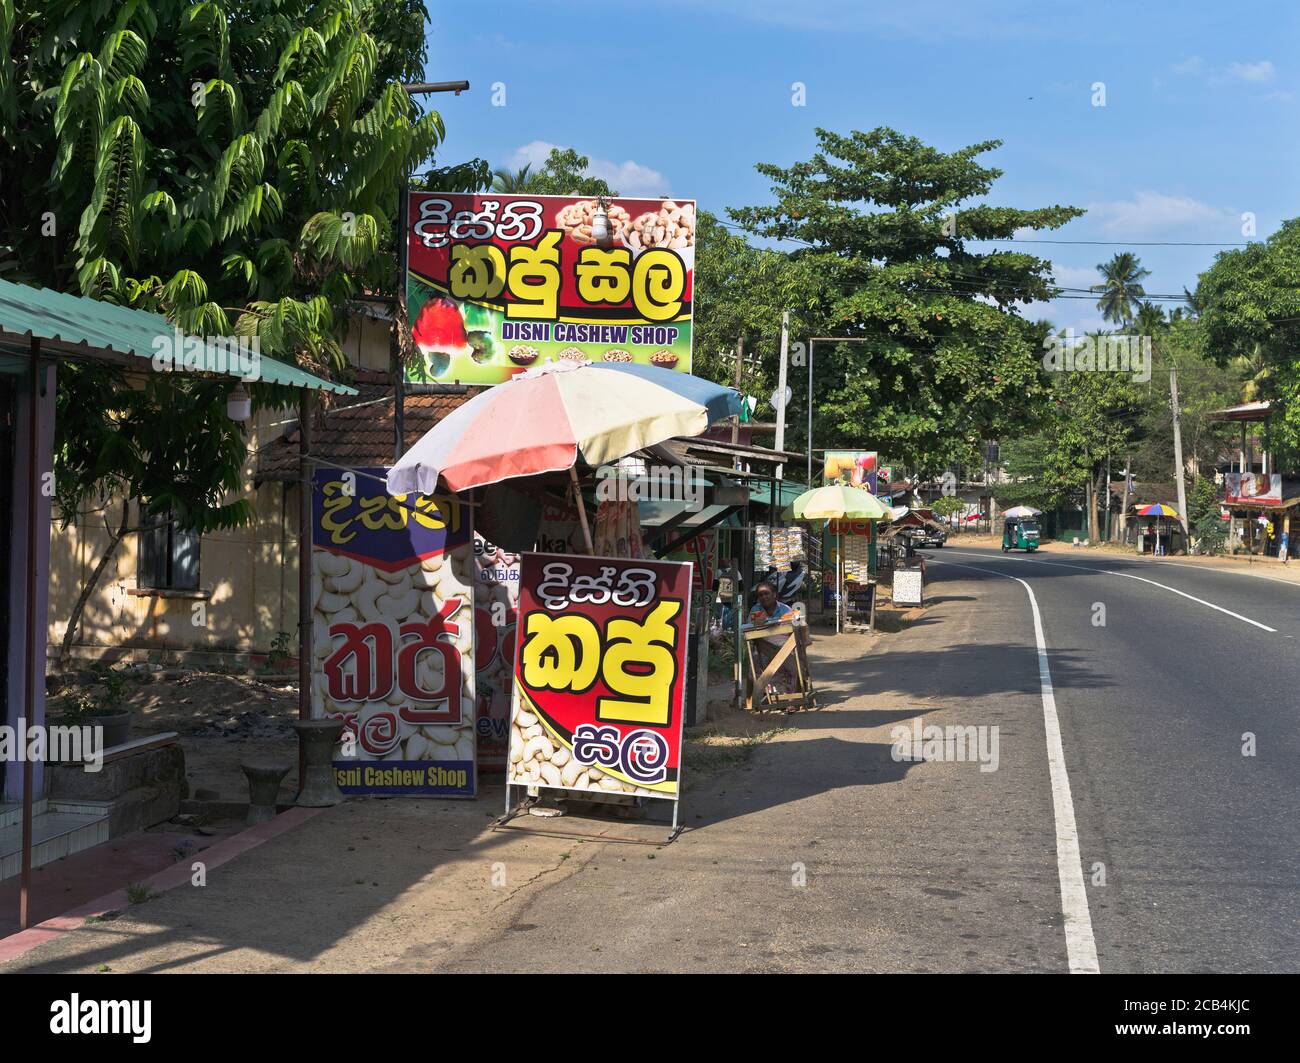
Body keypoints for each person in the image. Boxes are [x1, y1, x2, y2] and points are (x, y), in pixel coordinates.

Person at [747, 580, 798, 697]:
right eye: (761, 595)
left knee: (791, 664)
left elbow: (795, 630)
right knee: (756, 663)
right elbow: (749, 628)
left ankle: (788, 697)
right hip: (762, 649)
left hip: (784, 649)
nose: (764, 597)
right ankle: (769, 695)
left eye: (766, 593)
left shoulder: (786, 610)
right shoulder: (756, 610)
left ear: (774, 594)